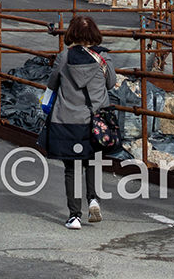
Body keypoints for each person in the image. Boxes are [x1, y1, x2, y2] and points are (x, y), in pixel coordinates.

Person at [42, 15, 116, 229]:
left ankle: (74, 216)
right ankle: (93, 199)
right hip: (96, 120)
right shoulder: (104, 58)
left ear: (72, 33)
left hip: (67, 120)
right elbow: (111, 83)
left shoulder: (64, 57)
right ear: (94, 33)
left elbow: (52, 83)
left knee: (72, 167)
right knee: (93, 161)